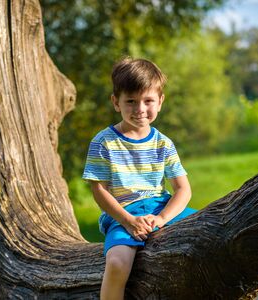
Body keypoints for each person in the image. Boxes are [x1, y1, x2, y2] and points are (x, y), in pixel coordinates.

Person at [82, 57, 197, 299]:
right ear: (116, 102)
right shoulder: (103, 142)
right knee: (117, 264)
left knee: (207, 231)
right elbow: (99, 191)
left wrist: (162, 218)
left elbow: (182, 189)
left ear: (161, 102)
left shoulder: (163, 143)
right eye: (131, 101)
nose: (140, 109)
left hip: (159, 207)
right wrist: (127, 221)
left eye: (148, 101)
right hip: (122, 213)